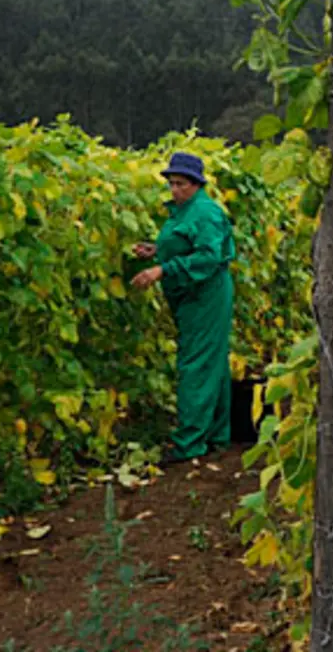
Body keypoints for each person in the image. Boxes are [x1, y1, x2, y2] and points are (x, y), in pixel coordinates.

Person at [130, 152, 237, 464]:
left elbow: (208, 257)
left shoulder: (205, 213)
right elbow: (183, 245)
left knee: (196, 363)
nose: (174, 189)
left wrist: (161, 270)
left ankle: (189, 442)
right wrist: (156, 251)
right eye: (171, 183)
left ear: (196, 184)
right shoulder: (182, 211)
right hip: (191, 295)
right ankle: (217, 435)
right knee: (210, 360)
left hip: (206, 295)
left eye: (181, 184)